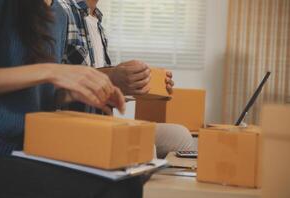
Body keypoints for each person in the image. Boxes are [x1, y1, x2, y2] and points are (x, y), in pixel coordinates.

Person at [0, 0, 144, 198]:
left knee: (129, 180)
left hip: (32, 149)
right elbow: (44, 74)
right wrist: (50, 71)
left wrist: (73, 92)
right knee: (114, 190)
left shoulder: (58, 15)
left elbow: (38, 91)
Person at [58, 0, 194, 158]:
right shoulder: (61, 10)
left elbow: (105, 89)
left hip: (102, 123)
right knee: (146, 148)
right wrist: (111, 78)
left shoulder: (96, 22)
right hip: (73, 127)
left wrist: (141, 85)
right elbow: (47, 89)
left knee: (180, 136)